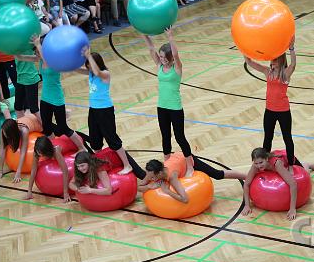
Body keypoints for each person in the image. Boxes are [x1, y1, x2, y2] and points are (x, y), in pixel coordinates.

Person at [143, 28, 195, 176]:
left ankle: (190, 166)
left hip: (175, 108)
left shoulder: (177, 68)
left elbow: (176, 54)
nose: (162, 59)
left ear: (171, 58)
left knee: (179, 137)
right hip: (162, 107)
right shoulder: (159, 66)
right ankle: (166, 163)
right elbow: (151, 48)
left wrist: (170, 37)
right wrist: (145, 34)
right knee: (165, 135)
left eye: (165, 57)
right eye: (161, 57)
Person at [77, 47, 133, 175]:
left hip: (105, 110)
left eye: (90, 65)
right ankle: (100, 164)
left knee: (112, 139)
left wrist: (89, 56)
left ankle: (127, 165)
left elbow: (97, 72)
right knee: (95, 141)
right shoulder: (91, 72)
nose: (89, 68)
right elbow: (78, 70)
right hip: (93, 110)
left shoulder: (105, 73)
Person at [243, 37, 297, 167]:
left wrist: (291, 48)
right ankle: (264, 163)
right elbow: (250, 63)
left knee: (287, 138)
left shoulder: (285, 74)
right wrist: (244, 50)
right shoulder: (267, 72)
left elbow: (293, 64)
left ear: (280, 60)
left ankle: (291, 165)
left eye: (274, 60)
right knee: (268, 138)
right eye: (271, 60)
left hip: (283, 111)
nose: (271, 62)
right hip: (269, 111)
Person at [242, 148, 314, 221]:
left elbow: (293, 184)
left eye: (261, 162)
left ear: (266, 159)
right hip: (275, 156)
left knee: (306, 174)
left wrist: (292, 209)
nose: (259, 166)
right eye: (256, 163)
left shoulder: (277, 164)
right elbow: (246, 184)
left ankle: (307, 165)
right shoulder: (256, 166)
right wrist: (247, 205)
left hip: (288, 159)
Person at [138, 157, 247, 198]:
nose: (150, 179)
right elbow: (143, 185)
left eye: (152, 177)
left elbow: (184, 199)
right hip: (177, 159)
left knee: (217, 175)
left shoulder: (172, 177)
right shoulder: (153, 171)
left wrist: (168, 192)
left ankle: (247, 176)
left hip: (188, 160)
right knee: (148, 184)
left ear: (159, 173)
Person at [0, 113, 43, 183]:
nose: (5, 136)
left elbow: (23, 151)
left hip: (38, 122)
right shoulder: (3, 130)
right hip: (27, 118)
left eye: (7, 135)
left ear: (12, 133)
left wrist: (18, 172)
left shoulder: (24, 130)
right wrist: (0, 171)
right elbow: (2, 149)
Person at [13, 40, 41, 118]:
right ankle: (22, 125)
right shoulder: (13, 44)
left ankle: (46, 128)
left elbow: (38, 58)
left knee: (34, 109)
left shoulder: (28, 42)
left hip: (30, 78)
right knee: (18, 107)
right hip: (20, 78)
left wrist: (36, 43)